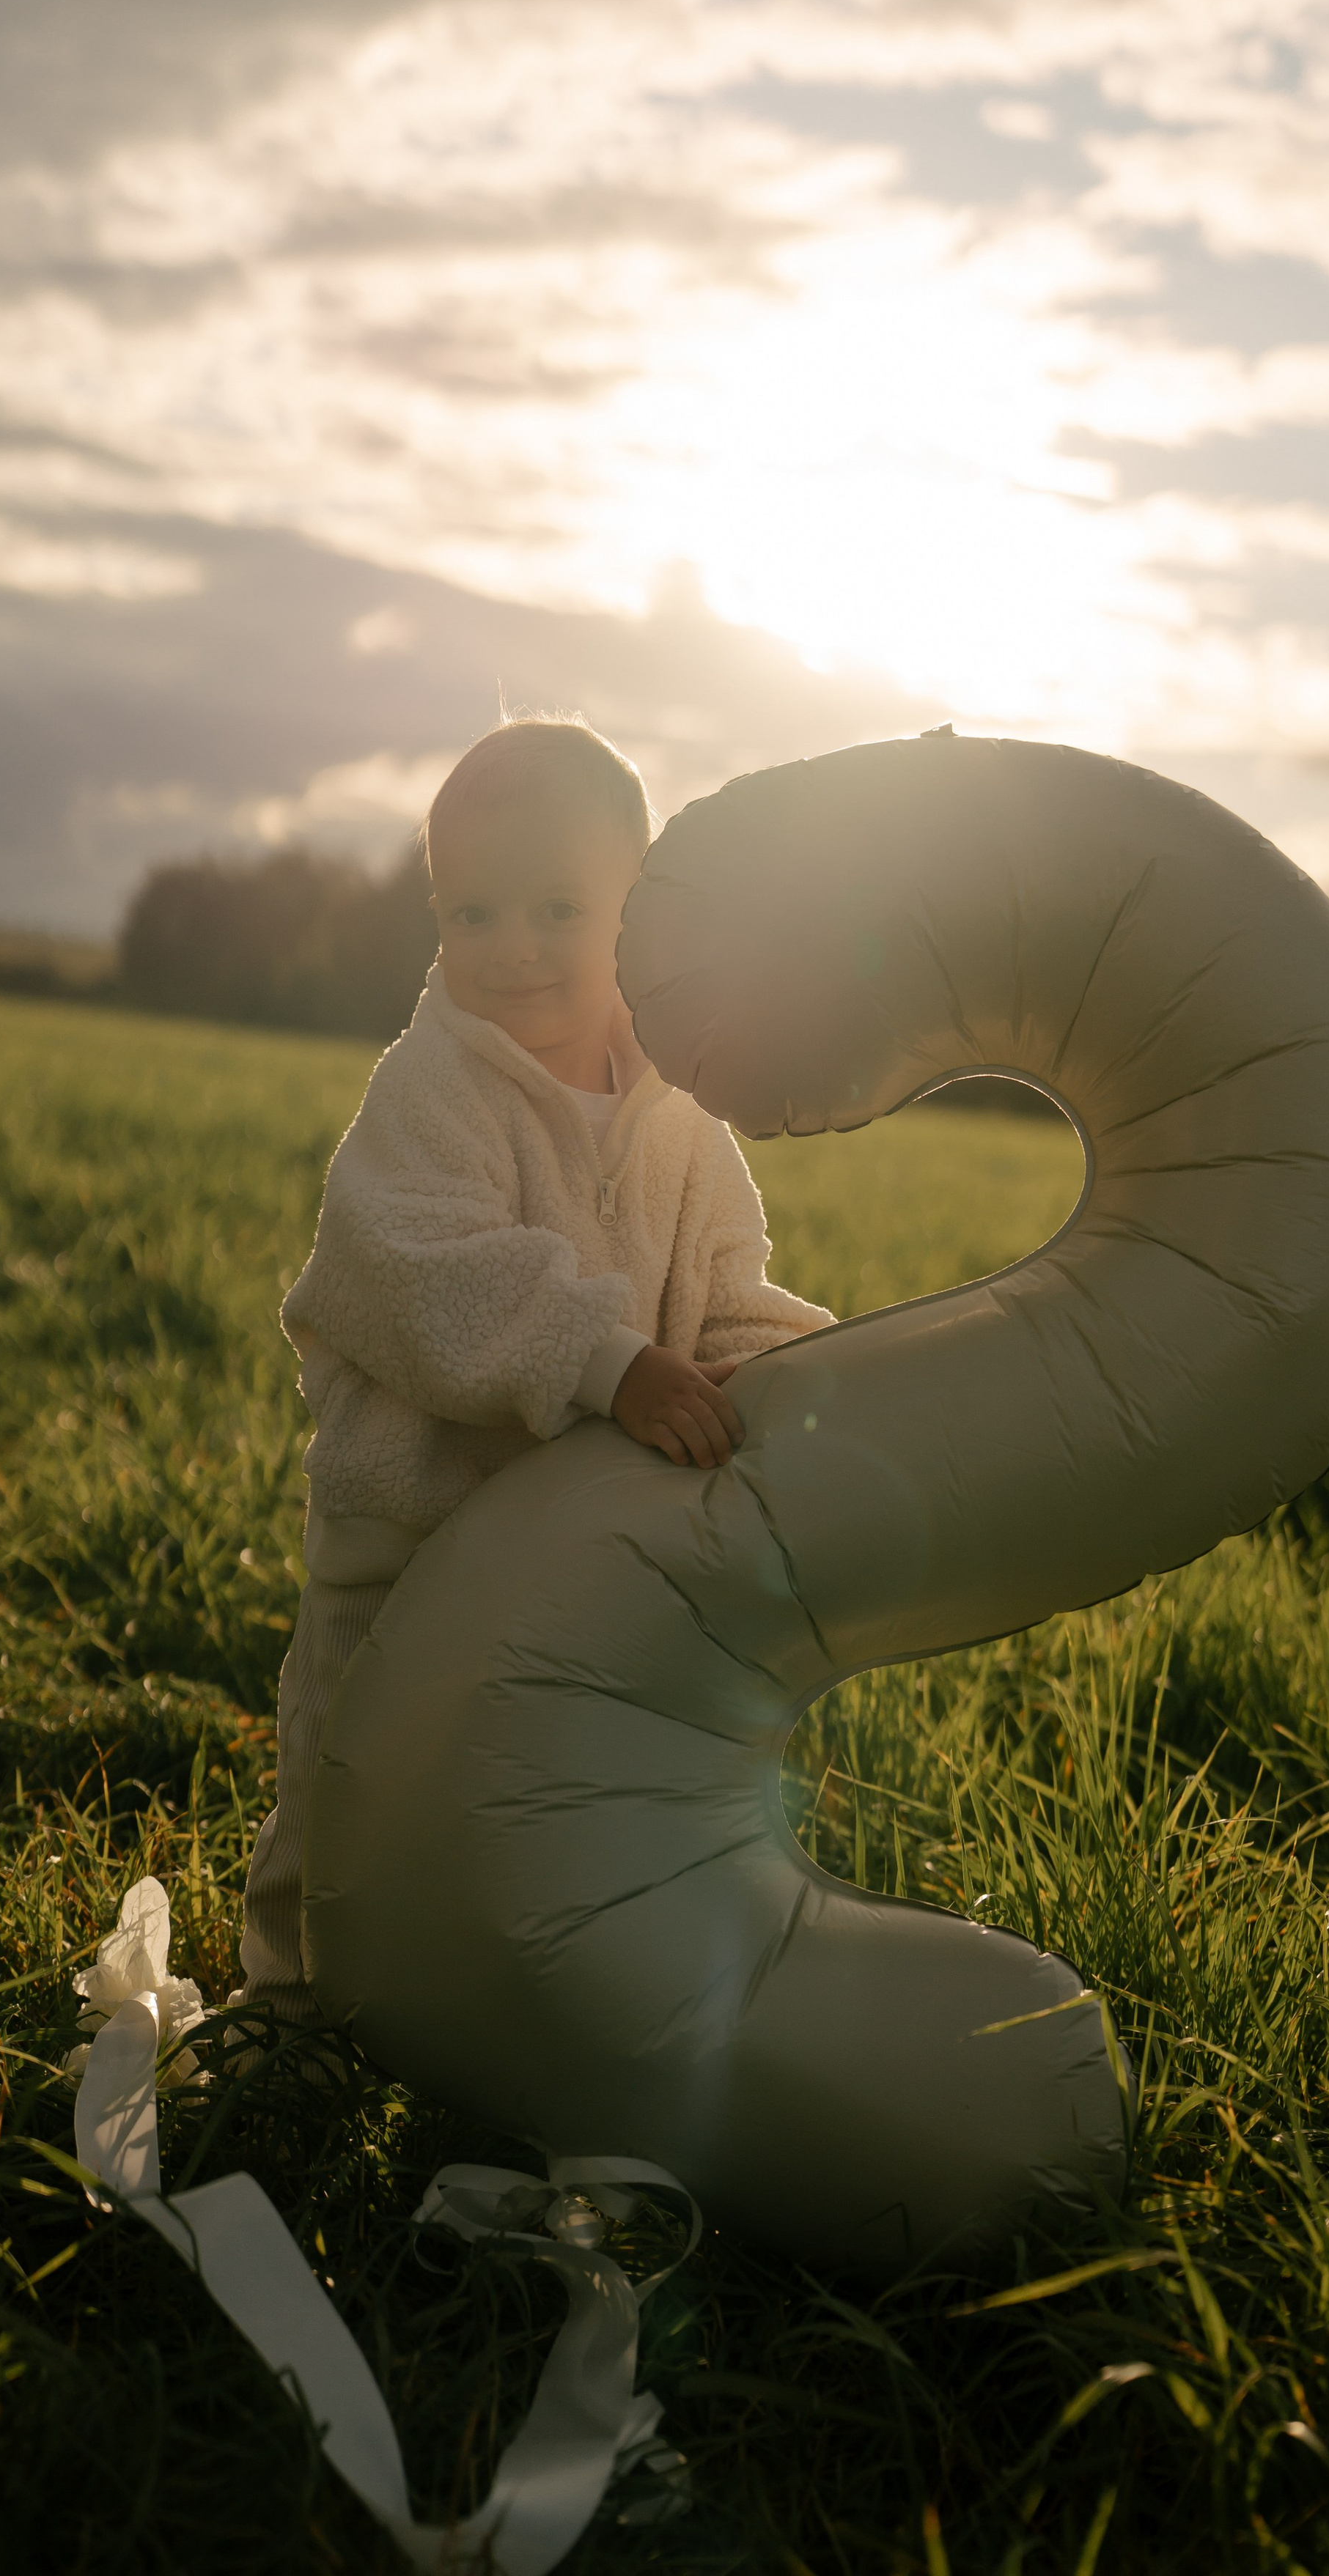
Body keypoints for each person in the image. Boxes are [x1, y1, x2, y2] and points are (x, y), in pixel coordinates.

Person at [235, 715, 831, 2032]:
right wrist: (609, 1365)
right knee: (355, 1764)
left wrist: (804, 1381)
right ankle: (297, 2006)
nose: (510, 946)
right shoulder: (433, 1088)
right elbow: (416, 1267)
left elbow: (724, 1292)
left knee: (557, 1791)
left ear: (639, 911)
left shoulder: (679, 1112)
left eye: (558, 908)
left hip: (592, 1558)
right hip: (419, 1535)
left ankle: (520, 2014)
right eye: (473, 911)